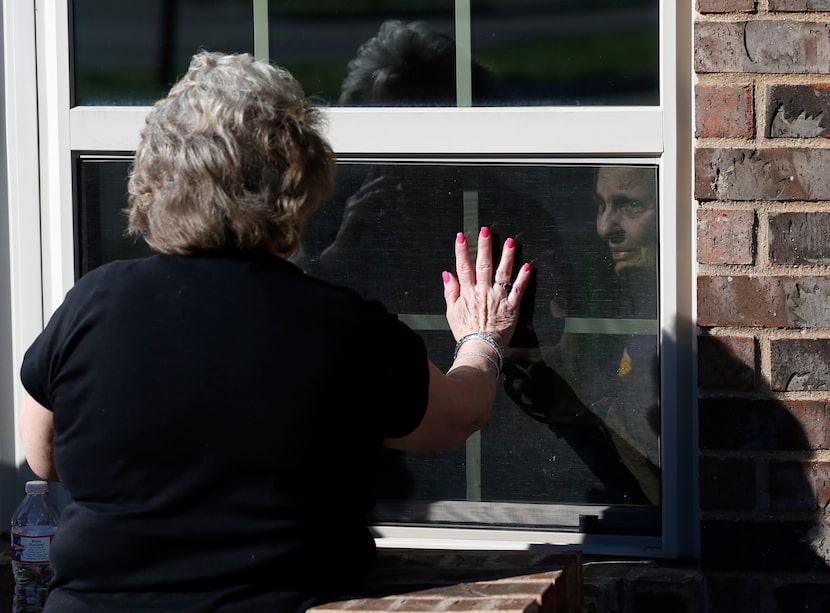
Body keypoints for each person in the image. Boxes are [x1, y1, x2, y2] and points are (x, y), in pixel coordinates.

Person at [18, 50, 531, 612]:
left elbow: (45, 457)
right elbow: (460, 414)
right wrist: (482, 338)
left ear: (153, 179)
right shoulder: (339, 325)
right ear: (299, 180)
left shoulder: (94, 301)